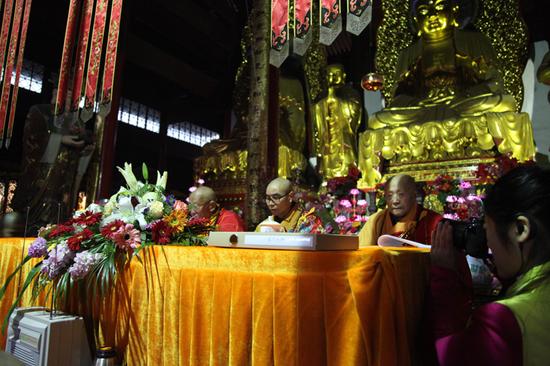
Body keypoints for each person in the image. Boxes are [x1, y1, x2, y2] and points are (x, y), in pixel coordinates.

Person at [429, 165, 550, 365]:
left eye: (489, 231)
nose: (489, 246)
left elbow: (451, 356)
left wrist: (444, 278)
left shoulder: (503, 320)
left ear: (520, 230)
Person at [370, 0, 516, 129]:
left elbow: (496, 82)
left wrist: (464, 95)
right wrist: (417, 103)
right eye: (423, 10)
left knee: (505, 103)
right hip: (423, 107)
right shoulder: (408, 54)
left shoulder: (475, 41)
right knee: (377, 120)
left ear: (454, 11)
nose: (432, 15)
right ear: (416, 20)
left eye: (440, 7)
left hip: (464, 102)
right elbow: (397, 95)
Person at [10, 88, 94, 234]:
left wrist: (83, 150)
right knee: (39, 211)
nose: (70, 101)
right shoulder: (40, 111)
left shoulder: (77, 121)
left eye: (74, 98)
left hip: (65, 176)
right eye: (67, 96)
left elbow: (82, 144)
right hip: (43, 172)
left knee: (61, 207)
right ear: (56, 94)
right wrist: (59, 139)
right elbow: (32, 138)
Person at [359, 174, 441, 246]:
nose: (395, 201)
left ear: (414, 195)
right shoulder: (376, 221)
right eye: (390, 195)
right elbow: (361, 256)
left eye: (401, 194)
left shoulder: (432, 221)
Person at [312, 64, 362, 179]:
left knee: (346, 156)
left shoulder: (350, 92)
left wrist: (335, 100)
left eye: (336, 74)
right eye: (330, 75)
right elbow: (315, 114)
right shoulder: (322, 95)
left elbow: (354, 111)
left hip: (344, 138)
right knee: (326, 157)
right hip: (328, 139)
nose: (333, 78)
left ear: (343, 76)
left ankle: (348, 178)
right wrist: (327, 100)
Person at [256, 177, 323, 233]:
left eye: (276, 197)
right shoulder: (265, 225)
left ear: (290, 197)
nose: (270, 203)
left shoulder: (308, 221)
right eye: (268, 198)